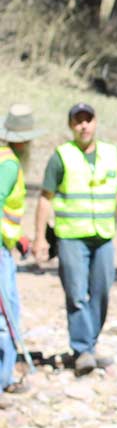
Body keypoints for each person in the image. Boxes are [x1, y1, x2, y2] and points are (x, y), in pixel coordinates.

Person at [31, 102, 117, 376]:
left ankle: (90, 345)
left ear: (95, 122)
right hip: (71, 236)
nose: (83, 126)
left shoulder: (110, 153)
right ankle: (82, 349)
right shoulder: (61, 156)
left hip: (103, 235)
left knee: (101, 292)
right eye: (78, 121)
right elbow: (46, 199)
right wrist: (39, 238)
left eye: (88, 120)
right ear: (71, 126)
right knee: (76, 293)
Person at [0, 105, 43, 394]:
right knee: (6, 314)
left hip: (7, 242)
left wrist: (18, 237)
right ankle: (3, 379)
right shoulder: (10, 163)